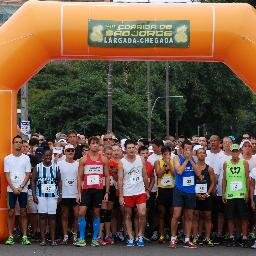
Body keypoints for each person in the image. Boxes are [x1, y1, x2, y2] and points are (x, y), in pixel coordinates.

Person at [75, 136, 110, 247]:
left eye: (97, 143)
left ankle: (95, 239)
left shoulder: (103, 159)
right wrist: (79, 193)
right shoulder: (83, 159)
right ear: (89, 145)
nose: (95, 145)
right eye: (93, 143)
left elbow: (107, 176)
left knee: (96, 213)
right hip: (86, 190)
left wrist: (107, 192)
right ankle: (81, 238)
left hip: (98, 190)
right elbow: (79, 177)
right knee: (81, 212)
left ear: (99, 145)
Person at [118, 139, 149, 246]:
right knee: (127, 215)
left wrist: (147, 190)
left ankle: (140, 235)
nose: (131, 150)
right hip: (128, 192)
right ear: (125, 150)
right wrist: (121, 196)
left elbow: (145, 175)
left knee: (142, 213)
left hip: (140, 191)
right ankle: (130, 236)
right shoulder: (122, 162)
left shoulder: (141, 159)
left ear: (135, 148)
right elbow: (120, 179)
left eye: (133, 148)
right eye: (129, 148)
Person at [169, 140, 200, 249]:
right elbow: (179, 171)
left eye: (190, 149)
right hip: (179, 190)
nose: (188, 151)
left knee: (189, 216)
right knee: (176, 215)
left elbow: (198, 173)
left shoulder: (194, 159)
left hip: (191, 191)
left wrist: (191, 160)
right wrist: (186, 160)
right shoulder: (177, 158)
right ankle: (173, 238)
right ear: (181, 149)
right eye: (186, 149)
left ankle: (187, 239)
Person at [31, 147, 62, 246]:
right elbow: (33, 181)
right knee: (43, 216)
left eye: (49, 155)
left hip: (53, 195)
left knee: (52, 217)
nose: (48, 157)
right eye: (46, 155)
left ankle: (52, 240)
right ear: (43, 156)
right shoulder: (38, 167)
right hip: (41, 195)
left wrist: (60, 194)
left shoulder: (56, 167)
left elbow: (59, 180)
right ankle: (43, 239)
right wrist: (34, 195)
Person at [4, 135, 32, 246]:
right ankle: (10, 236)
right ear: (13, 143)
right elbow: (7, 174)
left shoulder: (26, 158)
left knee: (24, 212)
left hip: (23, 189)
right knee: (11, 212)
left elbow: (28, 174)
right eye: (16, 142)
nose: (18, 144)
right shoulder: (8, 158)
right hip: (11, 189)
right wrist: (13, 188)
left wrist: (20, 187)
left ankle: (24, 236)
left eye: (20, 142)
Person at [222, 143, 249, 247]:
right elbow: (224, 179)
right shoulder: (226, 163)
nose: (234, 153)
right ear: (230, 152)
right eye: (233, 151)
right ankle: (231, 237)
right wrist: (224, 193)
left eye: (236, 151)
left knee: (243, 217)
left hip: (241, 194)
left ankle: (244, 238)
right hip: (230, 194)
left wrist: (247, 192)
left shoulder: (244, 163)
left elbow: (247, 178)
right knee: (230, 217)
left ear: (239, 152)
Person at [192, 148, 215, 246]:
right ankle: (196, 237)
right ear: (196, 155)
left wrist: (207, 194)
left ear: (206, 155)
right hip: (195, 195)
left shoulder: (209, 168)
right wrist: (196, 194)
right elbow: (190, 182)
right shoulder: (193, 168)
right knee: (195, 216)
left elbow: (213, 183)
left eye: (203, 153)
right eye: (199, 153)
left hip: (207, 196)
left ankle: (207, 238)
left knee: (208, 217)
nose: (201, 154)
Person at [58, 144, 79, 245]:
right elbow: (57, 179)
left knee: (76, 215)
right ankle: (65, 236)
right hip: (64, 194)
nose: (70, 152)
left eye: (72, 150)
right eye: (68, 150)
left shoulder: (78, 164)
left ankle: (75, 235)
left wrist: (79, 193)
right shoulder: (59, 164)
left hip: (75, 194)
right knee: (64, 215)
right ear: (64, 152)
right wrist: (59, 193)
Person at [155, 146, 175, 243]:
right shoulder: (158, 162)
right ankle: (161, 234)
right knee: (161, 213)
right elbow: (158, 174)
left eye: (169, 154)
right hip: (162, 189)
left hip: (172, 189)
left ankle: (172, 234)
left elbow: (175, 174)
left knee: (172, 214)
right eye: (165, 154)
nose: (167, 156)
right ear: (162, 154)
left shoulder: (174, 161)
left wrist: (169, 164)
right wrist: (165, 165)